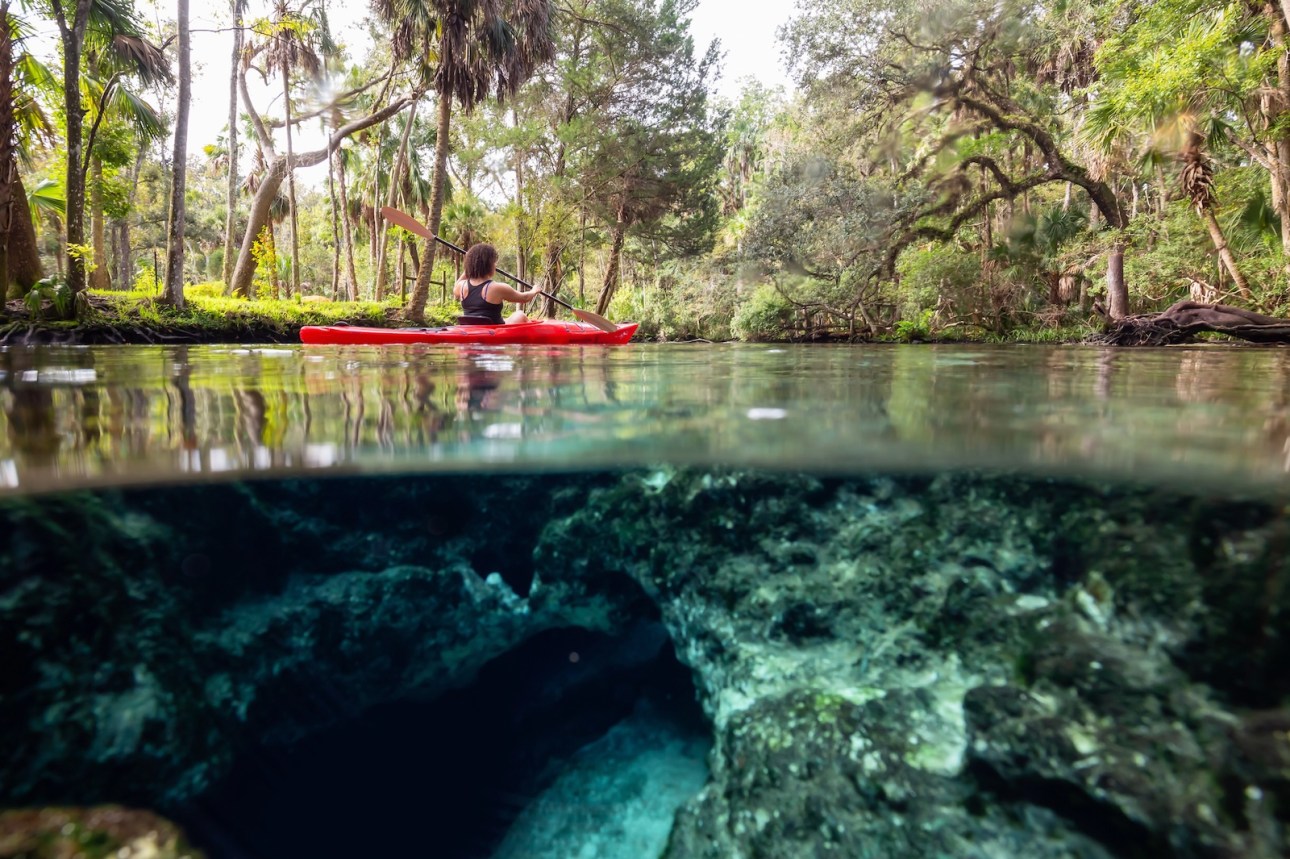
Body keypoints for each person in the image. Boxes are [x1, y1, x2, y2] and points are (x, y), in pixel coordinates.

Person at [452, 243, 541, 324]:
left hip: (470, 329)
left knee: (508, 317)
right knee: (520, 314)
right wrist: (534, 290)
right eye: (494, 262)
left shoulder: (461, 286)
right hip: (494, 330)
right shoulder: (496, 288)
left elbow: (456, 285)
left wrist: (471, 265)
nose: (495, 265)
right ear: (488, 264)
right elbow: (524, 298)